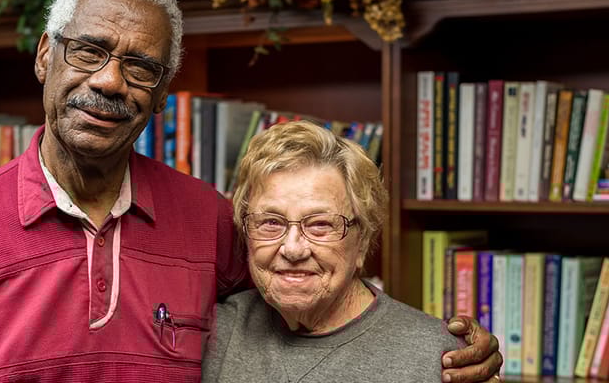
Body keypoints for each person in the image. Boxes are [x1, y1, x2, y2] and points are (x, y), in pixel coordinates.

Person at [0, 0, 501, 382]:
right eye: (89, 50)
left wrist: (431, 353)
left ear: (161, 92)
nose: (109, 81)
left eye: (140, 67)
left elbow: (310, 292)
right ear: (45, 54)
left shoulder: (209, 222)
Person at [202, 121, 477, 382]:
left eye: (320, 224)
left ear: (363, 240)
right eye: (271, 222)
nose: (293, 248)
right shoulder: (213, 332)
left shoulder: (441, 358)